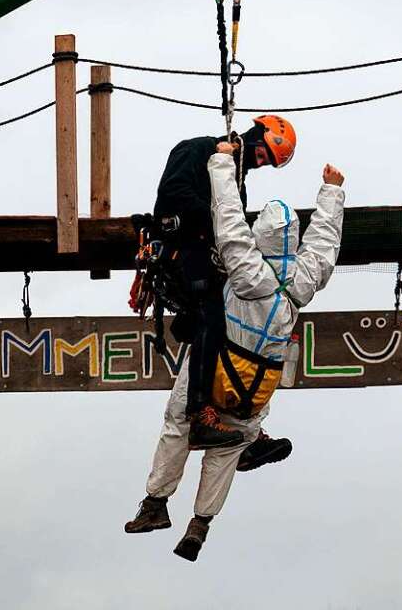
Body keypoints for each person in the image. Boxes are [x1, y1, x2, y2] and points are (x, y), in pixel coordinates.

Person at [126, 145, 346, 561]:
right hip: (256, 386)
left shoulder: (246, 270)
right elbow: (324, 242)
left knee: (179, 423)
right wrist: (331, 192)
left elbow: (227, 217)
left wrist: (222, 162)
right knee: (228, 446)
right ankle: (200, 525)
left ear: (259, 235)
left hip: (217, 368)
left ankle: (155, 503)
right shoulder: (304, 279)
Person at [151, 115, 296, 452]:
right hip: (183, 248)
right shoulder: (197, 150)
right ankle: (200, 413)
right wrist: (216, 215)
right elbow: (172, 193)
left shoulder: (237, 181)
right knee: (212, 319)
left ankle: (243, 431)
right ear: (257, 134)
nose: (260, 163)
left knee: (238, 326)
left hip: (207, 256)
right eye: (262, 155)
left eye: (266, 163)